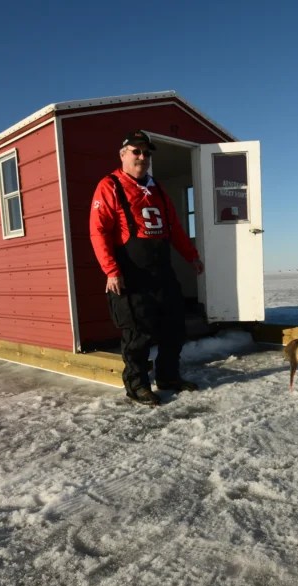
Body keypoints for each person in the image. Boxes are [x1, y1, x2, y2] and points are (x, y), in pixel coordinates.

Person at [90, 130, 204, 406]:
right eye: (136, 151)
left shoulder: (157, 189)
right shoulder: (110, 185)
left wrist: (192, 256)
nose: (142, 157)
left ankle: (168, 377)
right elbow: (99, 230)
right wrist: (111, 270)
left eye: (147, 153)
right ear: (123, 155)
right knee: (137, 334)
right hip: (130, 274)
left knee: (174, 327)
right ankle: (137, 385)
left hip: (161, 271)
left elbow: (175, 228)